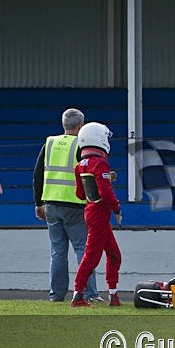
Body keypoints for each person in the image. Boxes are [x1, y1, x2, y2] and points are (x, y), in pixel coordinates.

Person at [33, 108, 100, 303]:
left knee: (57, 252)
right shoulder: (82, 145)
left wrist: (38, 203)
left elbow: (37, 175)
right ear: (81, 126)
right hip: (75, 205)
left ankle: (56, 295)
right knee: (83, 250)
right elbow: (88, 176)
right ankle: (88, 294)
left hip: (51, 204)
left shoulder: (50, 143)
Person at [70, 122, 122, 307]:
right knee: (92, 256)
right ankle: (77, 296)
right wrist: (117, 207)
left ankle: (113, 296)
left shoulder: (81, 164)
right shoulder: (99, 162)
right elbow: (106, 193)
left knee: (114, 254)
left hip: (92, 211)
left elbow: (80, 194)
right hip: (100, 214)